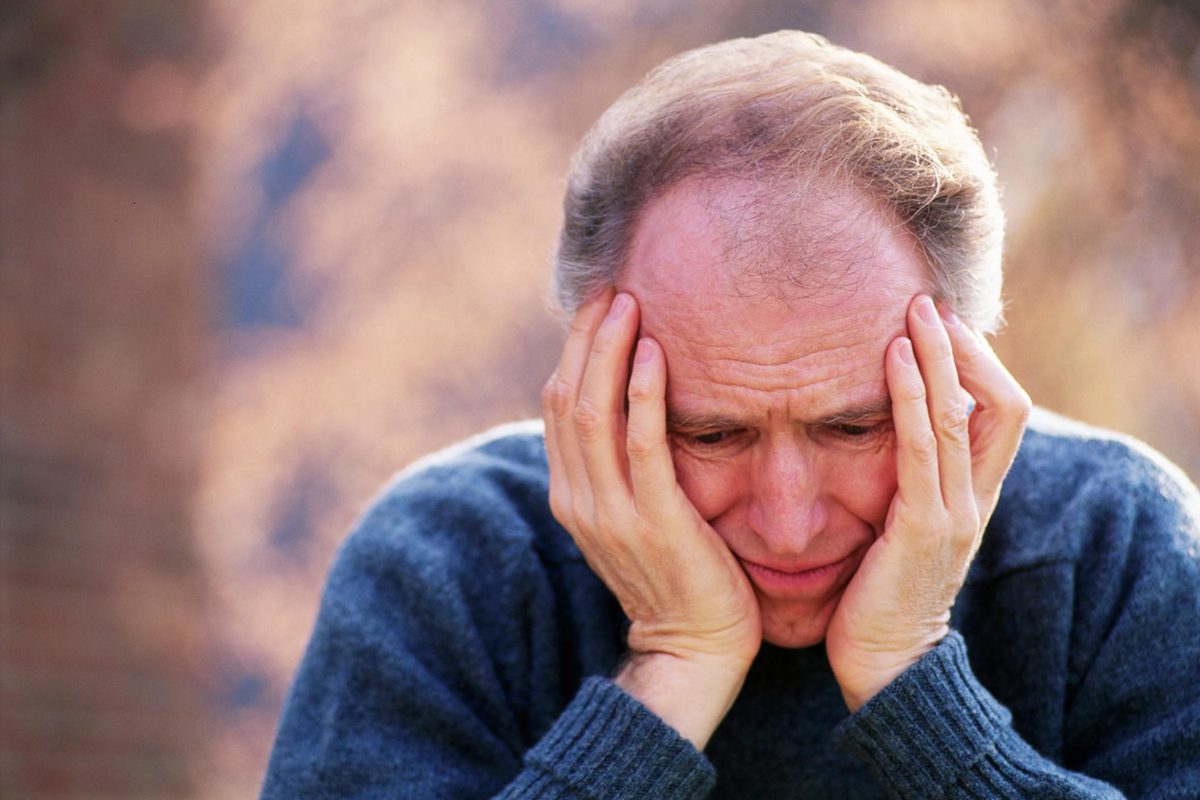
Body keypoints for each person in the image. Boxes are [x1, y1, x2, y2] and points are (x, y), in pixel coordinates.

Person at [260, 31, 1200, 798]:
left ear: (966, 369)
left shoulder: (1113, 543)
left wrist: (916, 682)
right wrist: (671, 668)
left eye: (853, 427)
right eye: (711, 433)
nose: (788, 521)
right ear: (596, 380)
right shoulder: (447, 565)